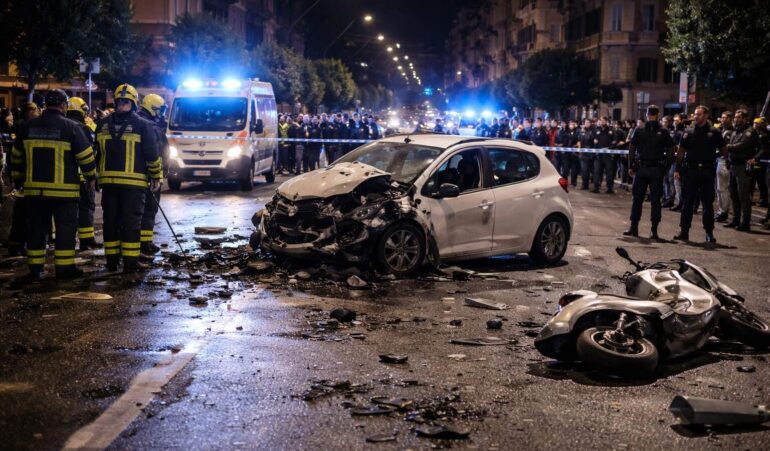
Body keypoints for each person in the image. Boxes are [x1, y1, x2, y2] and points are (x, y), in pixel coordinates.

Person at [10, 89, 96, 281]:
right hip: (64, 193)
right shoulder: (72, 128)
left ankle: (35, 269)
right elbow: (86, 157)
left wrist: (18, 179)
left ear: (45, 105)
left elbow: (16, 157)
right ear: (64, 106)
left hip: (34, 191)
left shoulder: (27, 127)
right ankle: (64, 269)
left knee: (36, 230)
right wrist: (91, 177)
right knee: (65, 230)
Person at [95, 84, 161, 273]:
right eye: (122, 101)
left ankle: (112, 261)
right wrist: (156, 177)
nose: (123, 103)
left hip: (109, 183)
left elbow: (96, 153)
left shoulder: (102, 124)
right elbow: (151, 154)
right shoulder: (143, 125)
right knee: (131, 223)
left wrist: (95, 176)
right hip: (134, 185)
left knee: (111, 222)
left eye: (125, 101)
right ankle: (130, 263)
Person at [673, 106, 725, 243]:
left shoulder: (714, 132)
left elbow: (724, 150)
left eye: (699, 114)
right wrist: (677, 169)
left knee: (707, 204)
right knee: (687, 203)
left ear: (706, 116)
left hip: (707, 171)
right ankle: (684, 231)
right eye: (695, 114)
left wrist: (712, 156)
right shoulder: (688, 132)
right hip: (691, 171)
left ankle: (709, 233)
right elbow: (681, 152)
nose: (696, 117)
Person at [624, 105, 675, 239]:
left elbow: (631, 149)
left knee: (639, 200)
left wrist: (630, 166)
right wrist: (666, 167)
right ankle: (652, 230)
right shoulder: (662, 131)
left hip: (644, 169)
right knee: (653, 201)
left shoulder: (641, 130)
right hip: (653, 169)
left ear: (647, 114)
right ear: (658, 115)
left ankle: (634, 227)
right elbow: (671, 150)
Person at [65, 97, 101, 251]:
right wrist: (92, 175)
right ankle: (86, 240)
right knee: (86, 208)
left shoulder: (64, 126)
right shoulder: (84, 128)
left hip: (66, 178)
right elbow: (90, 152)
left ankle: (69, 241)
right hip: (84, 176)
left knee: (69, 212)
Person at [137, 93, 168, 258]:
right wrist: (158, 174)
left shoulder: (134, 123)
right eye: (160, 110)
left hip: (134, 176)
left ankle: (137, 244)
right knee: (149, 210)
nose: (162, 114)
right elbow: (159, 153)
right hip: (150, 176)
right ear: (154, 108)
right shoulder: (152, 128)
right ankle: (145, 244)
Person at [724, 109, 759, 232]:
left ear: (745, 119)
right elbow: (731, 144)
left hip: (742, 167)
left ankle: (745, 222)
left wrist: (727, 147)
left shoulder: (750, 132)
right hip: (733, 166)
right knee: (733, 194)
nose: (736, 119)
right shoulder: (735, 131)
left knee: (743, 195)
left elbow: (741, 146)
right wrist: (728, 160)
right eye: (735, 117)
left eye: (739, 117)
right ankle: (735, 220)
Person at [715, 111, 734, 222]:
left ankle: (724, 211)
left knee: (723, 188)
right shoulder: (723, 130)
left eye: (725, 118)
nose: (722, 120)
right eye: (721, 117)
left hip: (724, 161)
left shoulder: (729, 132)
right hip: (719, 160)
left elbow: (725, 149)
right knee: (719, 188)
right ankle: (721, 210)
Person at [592, 116, 617, 193]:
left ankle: (609, 188)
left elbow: (614, 141)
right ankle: (596, 187)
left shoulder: (611, 130)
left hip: (608, 155)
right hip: (598, 155)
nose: (602, 122)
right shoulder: (596, 130)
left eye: (603, 121)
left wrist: (610, 148)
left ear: (606, 121)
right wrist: (594, 142)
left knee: (609, 172)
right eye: (601, 120)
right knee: (597, 171)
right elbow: (593, 140)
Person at [749, 118, 768, 208]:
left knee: (760, 180)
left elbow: (763, 149)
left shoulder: (763, 135)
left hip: (760, 161)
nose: (755, 125)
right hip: (754, 160)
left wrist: (755, 158)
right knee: (752, 179)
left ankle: (764, 199)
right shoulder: (754, 134)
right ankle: (750, 197)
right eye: (754, 123)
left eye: (757, 123)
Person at [577, 119, 594, 190]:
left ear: (590, 123)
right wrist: (578, 144)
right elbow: (579, 140)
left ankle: (595, 184)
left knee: (592, 170)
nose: (586, 124)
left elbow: (593, 141)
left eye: (588, 122)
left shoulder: (593, 131)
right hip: (583, 154)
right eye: (585, 123)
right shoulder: (581, 131)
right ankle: (585, 185)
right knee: (584, 170)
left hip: (591, 154)